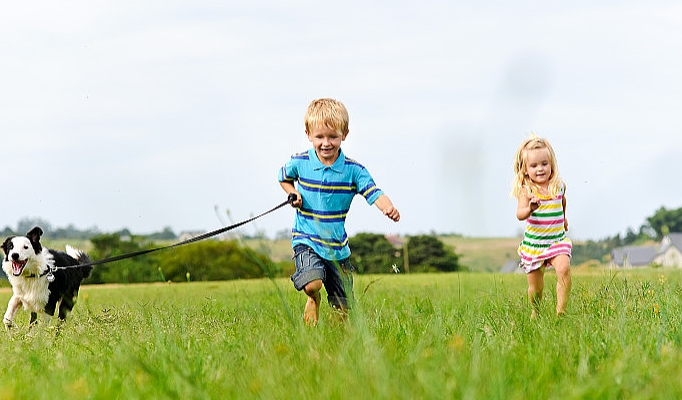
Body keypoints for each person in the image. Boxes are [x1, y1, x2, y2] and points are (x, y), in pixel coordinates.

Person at [278, 98, 400, 325]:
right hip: (306, 238)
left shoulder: (353, 170)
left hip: (337, 247)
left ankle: (334, 346)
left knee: (342, 309)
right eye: (319, 137)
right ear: (308, 134)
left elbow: (373, 192)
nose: (326, 143)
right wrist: (293, 193)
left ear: (345, 134)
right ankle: (313, 299)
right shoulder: (300, 162)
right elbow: (282, 177)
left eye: (333, 136)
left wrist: (388, 207)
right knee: (312, 283)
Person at [512, 134, 571, 318]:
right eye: (534, 166)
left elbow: (562, 201)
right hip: (535, 245)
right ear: (525, 170)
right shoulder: (527, 191)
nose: (540, 169)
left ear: (551, 163)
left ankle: (561, 311)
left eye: (544, 164)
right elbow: (520, 213)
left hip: (556, 241)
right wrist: (530, 208)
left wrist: (564, 219)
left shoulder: (558, 186)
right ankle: (535, 311)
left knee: (564, 268)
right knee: (536, 288)